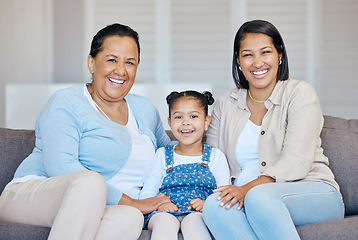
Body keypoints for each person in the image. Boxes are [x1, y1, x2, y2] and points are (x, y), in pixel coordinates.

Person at [0, 23, 172, 240]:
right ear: (91, 63)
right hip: (30, 195)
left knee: (130, 217)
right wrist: (135, 203)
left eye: (130, 62)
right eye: (111, 60)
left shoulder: (145, 109)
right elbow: (61, 166)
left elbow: (171, 154)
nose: (120, 70)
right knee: (91, 183)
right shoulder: (67, 102)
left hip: (96, 207)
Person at [202, 20, 345, 240]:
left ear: (279, 55)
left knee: (259, 198)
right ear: (238, 61)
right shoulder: (225, 103)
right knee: (214, 205)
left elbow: (297, 160)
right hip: (248, 198)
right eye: (248, 55)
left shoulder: (300, 93)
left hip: (311, 192)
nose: (257, 63)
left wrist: (247, 189)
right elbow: (213, 158)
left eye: (265, 52)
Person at [139, 90, 230, 240]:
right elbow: (150, 187)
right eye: (179, 117)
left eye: (193, 116)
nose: (185, 122)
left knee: (194, 222)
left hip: (199, 213)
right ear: (169, 122)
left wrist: (207, 205)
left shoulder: (216, 156)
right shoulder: (162, 154)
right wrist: (157, 205)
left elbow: (223, 193)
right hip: (163, 212)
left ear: (206, 121)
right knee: (164, 222)